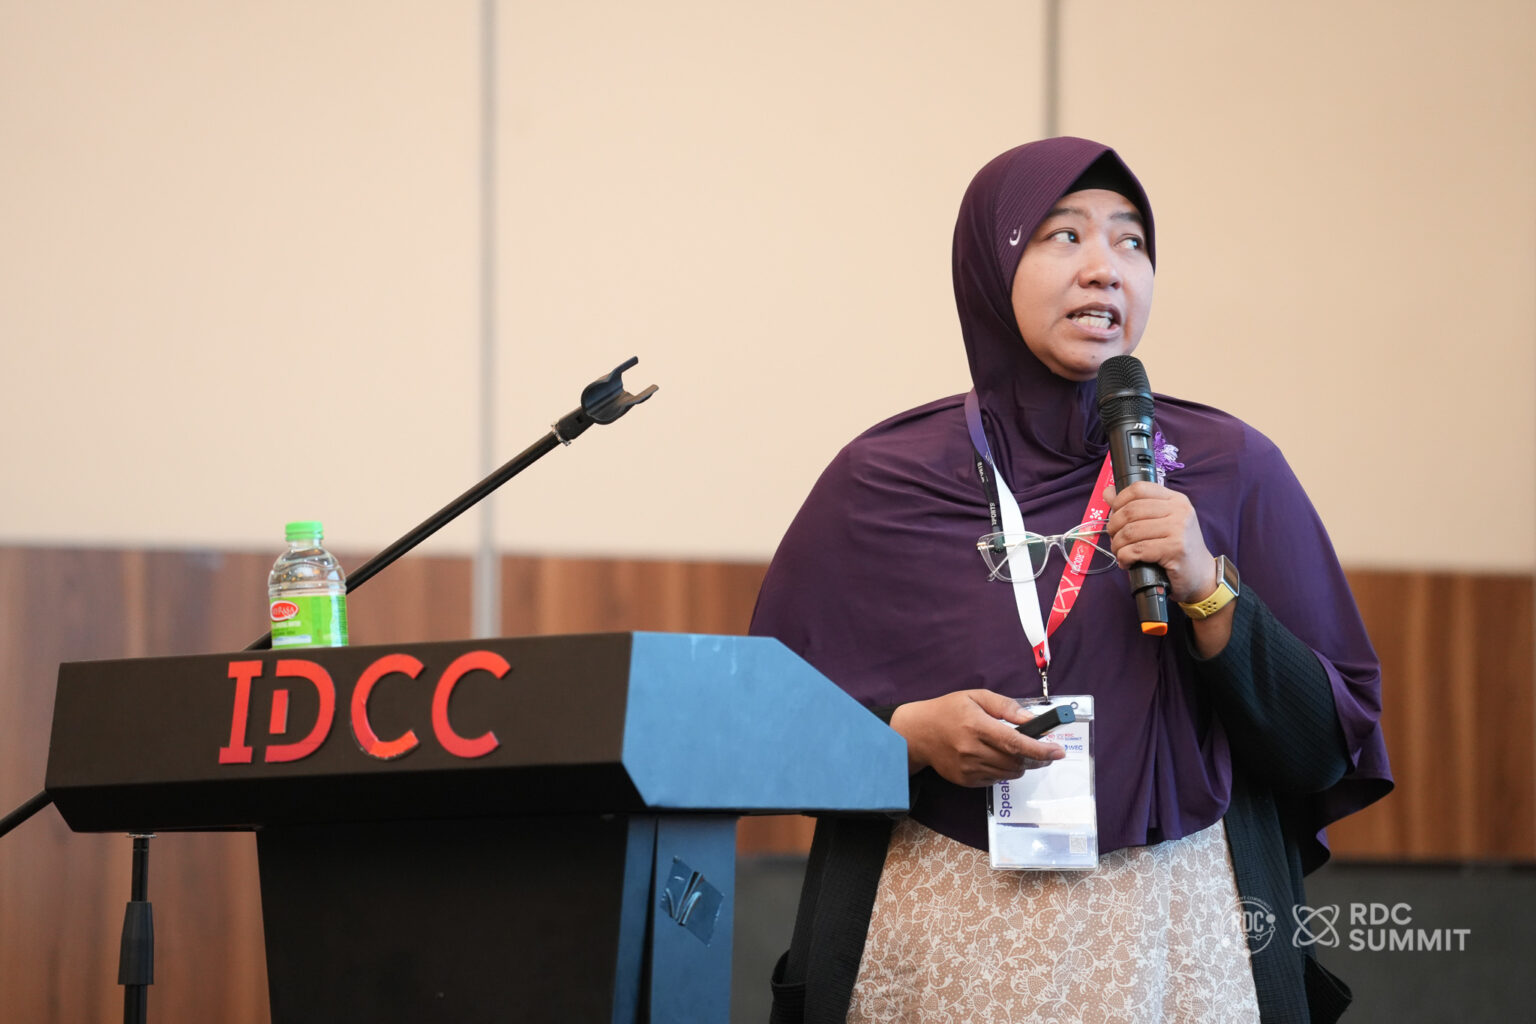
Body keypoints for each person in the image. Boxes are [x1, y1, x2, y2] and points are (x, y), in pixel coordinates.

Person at [750, 137, 1392, 1023]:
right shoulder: (882, 478)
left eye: (1132, 242)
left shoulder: (1232, 468)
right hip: (939, 940)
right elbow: (762, 724)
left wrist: (1209, 589)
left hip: (1178, 946)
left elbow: (1326, 744)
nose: (1105, 268)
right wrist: (906, 737)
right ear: (990, 265)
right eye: (1064, 236)